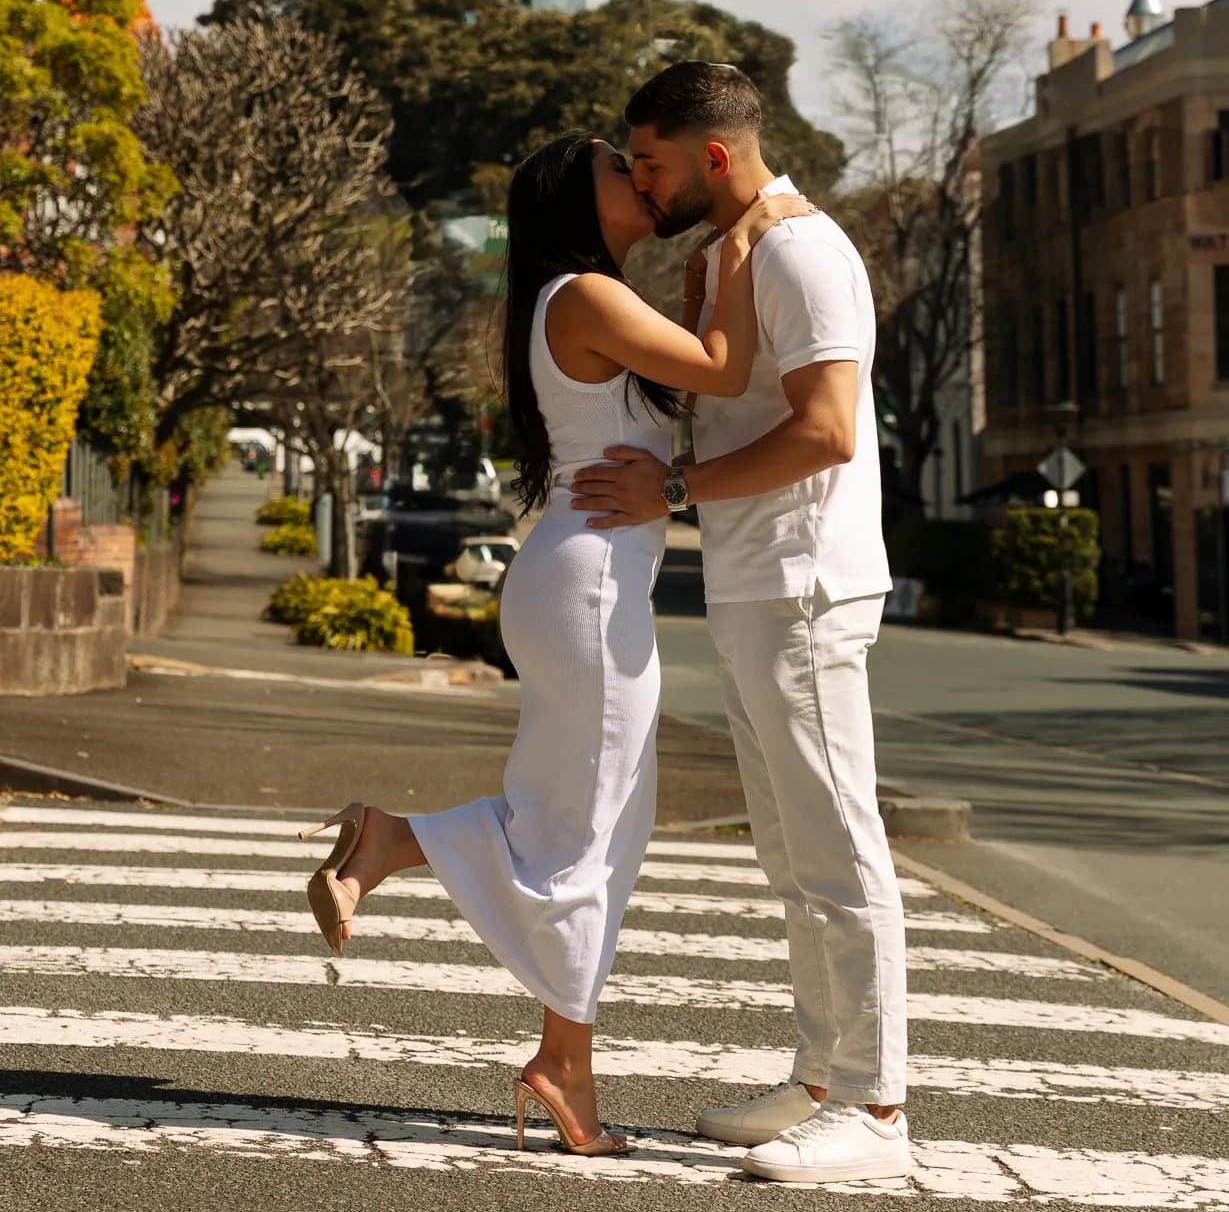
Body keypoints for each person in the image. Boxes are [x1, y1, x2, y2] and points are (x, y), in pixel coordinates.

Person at [299, 133, 810, 1159]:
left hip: (579, 578)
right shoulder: (580, 292)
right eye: (619, 169)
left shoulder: (583, 296)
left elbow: (698, 372)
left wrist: (716, 260)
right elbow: (722, 367)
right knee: (588, 831)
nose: (639, 175)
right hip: (585, 585)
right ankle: (406, 856)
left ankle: (544, 1035)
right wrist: (750, 232)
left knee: (598, 826)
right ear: (575, 204)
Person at [571, 62, 910, 1189]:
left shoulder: (802, 252)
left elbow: (823, 431)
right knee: (788, 847)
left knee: (837, 844)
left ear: (712, 156)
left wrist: (668, 494)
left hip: (808, 580)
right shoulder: (726, 253)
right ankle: (818, 1077)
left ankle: (877, 1102)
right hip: (753, 580)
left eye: (652, 161)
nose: (641, 180)